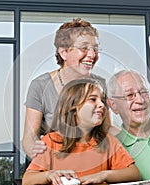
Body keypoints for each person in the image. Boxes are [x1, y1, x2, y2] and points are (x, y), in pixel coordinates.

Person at [22, 79, 140, 185]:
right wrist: (49, 175)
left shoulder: (109, 142)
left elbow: (134, 174)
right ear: (73, 109)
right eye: (93, 99)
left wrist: (104, 175)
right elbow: (27, 182)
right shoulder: (52, 141)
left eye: (102, 100)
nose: (102, 105)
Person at [22, 18, 106, 160]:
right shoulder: (40, 85)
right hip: (52, 162)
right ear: (64, 52)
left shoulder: (100, 84)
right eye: (84, 48)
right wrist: (45, 163)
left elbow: (105, 131)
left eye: (95, 49)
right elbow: (29, 139)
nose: (92, 55)